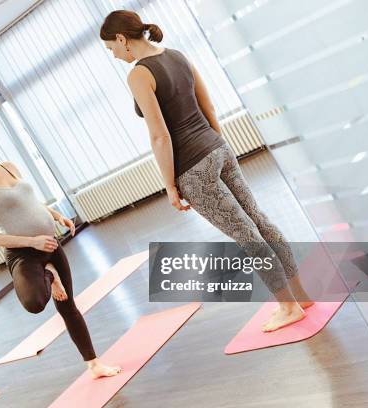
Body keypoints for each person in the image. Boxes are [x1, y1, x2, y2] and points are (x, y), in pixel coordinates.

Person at [100, 10, 313, 332]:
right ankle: (301, 296)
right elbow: (208, 108)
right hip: (217, 147)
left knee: (245, 234)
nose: (114, 56)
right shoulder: (178, 56)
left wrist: (170, 185)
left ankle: (287, 307)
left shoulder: (139, 74)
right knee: (258, 220)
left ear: (121, 38)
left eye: (111, 48)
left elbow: (159, 135)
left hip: (191, 165)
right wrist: (217, 146)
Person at [0, 124, 121, 377]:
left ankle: (94, 364)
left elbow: (31, 202)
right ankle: (49, 275)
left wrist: (56, 216)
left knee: (68, 307)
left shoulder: (9, 166)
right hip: (23, 254)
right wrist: (33, 243)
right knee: (34, 303)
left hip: (50, 244)